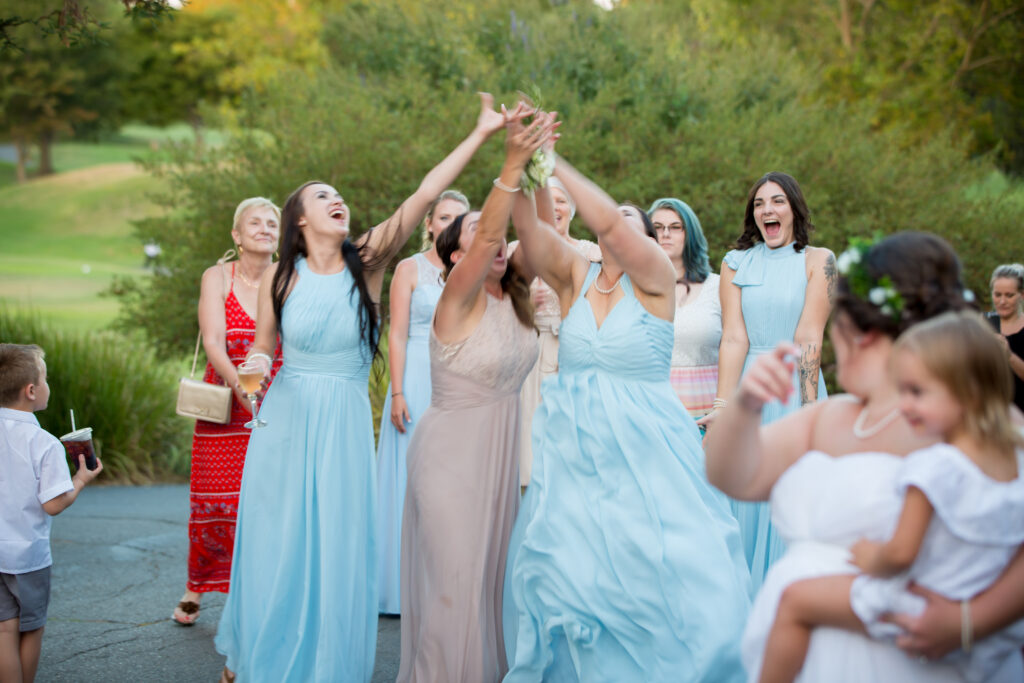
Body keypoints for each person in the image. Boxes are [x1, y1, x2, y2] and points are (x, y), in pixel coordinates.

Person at [214, 93, 508, 683]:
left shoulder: (366, 262)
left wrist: (479, 134)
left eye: (339, 196)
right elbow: (264, 347)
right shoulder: (279, 275)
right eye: (323, 195)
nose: (337, 200)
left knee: (335, 543)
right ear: (299, 217)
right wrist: (251, 374)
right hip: (285, 418)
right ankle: (265, 652)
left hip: (343, 419)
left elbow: (425, 195)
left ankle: (325, 663)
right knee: (279, 540)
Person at [704, 232, 1024, 682]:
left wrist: (969, 621)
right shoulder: (832, 417)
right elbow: (727, 477)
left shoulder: (974, 419)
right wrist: (744, 406)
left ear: (857, 331)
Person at [502, 131, 751, 682]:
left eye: (627, 222)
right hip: (576, 450)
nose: (613, 224)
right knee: (575, 570)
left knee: (649, 567)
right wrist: (518, 161)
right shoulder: (574, 277)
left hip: (645, 447)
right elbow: (528, 230)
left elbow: (611, 225)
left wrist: (553, 159)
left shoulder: (657, 280)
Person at [758, 311, 1024, 683]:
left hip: (920, 602)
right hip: (994, 619)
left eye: (917, 392)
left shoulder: (933, 467)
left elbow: (901, 552)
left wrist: (871, 558)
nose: (904, 405)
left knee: (794, 601)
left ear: (969, 392)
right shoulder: (1016, 457)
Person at [396, 102, 548, 683]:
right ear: (455, 257)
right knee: (455, 586)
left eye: (504, 239)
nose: (499, 244)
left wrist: (536, 164)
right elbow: (487, 233)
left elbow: (540, 234)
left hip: (498, 460)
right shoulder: (456, 298)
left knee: (487, 585)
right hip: (449, 459)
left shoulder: (515, 295)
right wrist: (508, 159)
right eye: (484, 241)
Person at [704, 171, 834, 592]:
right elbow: (734, 338)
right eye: (759, 204)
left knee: (791, 501)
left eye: (777, 201)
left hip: (796, 387)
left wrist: (809, 411)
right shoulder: (734, 263)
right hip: (750, 392)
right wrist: (723, 409)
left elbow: (810, 335)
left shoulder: (820, 261)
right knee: (739, 505)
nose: (767, 210)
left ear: (794, 209)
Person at [172, 197, 283, 627]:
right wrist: (239, 386)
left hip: (278, 400)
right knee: (216, 501)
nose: (264, 227)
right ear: (236, 236)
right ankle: (195, 586)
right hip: (226, 402)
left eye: (272, 222)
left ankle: (260, 590)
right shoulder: (217, 277)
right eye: (253, 222)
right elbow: (214, 341)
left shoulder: (288, 278)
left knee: (269, 500)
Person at [376, 189, 469, 616]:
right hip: (414, 375)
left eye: (459, 218)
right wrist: (396, 391)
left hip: (457, 377)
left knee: (451, 481)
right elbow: (396, 333)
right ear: (429, 223)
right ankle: (398, 586)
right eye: (443, 216)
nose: (449, 224)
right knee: (407, 478)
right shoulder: (408, 269)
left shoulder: (473, 270)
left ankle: (445, 584)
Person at [1, 344, 102, 683]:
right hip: (27, 556)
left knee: (3, 629)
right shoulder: (43, 443)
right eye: (45, 379)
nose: (47, 385)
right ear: (31, 391)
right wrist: (80, 479)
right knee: (31, 630)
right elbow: (53, 503)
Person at [516, 176, 599, 487]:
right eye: (546, 200)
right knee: (526, 440)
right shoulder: (517, 251)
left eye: (561, 200)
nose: (553, 207)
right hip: (525, 355)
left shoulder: (589, 252)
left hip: (573, 357)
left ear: (572, 209)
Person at [648, 197, 720, 421]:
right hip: (652, 412)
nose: (666, 234)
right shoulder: (634, 287)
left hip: (708, 413)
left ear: (690, 234)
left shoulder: (718, 286)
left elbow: (737, 346)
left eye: (675, 227)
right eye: (657, 228)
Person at [989, 264, 1024, 412]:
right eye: (997, 295)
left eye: (1009, 295)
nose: (1002, 302)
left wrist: (1009, 356)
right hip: (990, 414)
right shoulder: (982, 324)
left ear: (1022, 295)